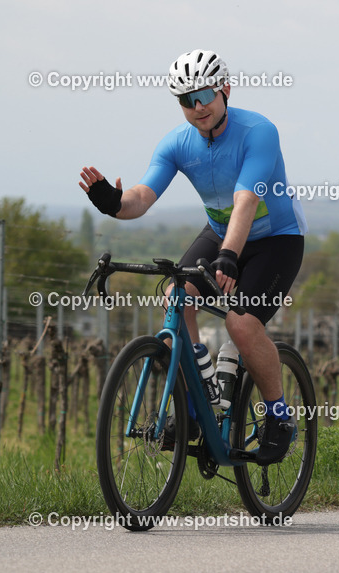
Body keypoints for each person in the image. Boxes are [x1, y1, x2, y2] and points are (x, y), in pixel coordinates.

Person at [79, 49, 307, 465]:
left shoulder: (259, 131)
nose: (198, 106)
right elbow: (142, 197)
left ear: (225, 90)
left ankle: (279, 416)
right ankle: (197, 403)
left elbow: (244, 201)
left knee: (241, 321)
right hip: (222, 235)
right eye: (187, 99)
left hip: (276, 239)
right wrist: (113, 202)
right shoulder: (176, 143)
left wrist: (228, 257)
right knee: (175, 298)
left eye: (204, 94)